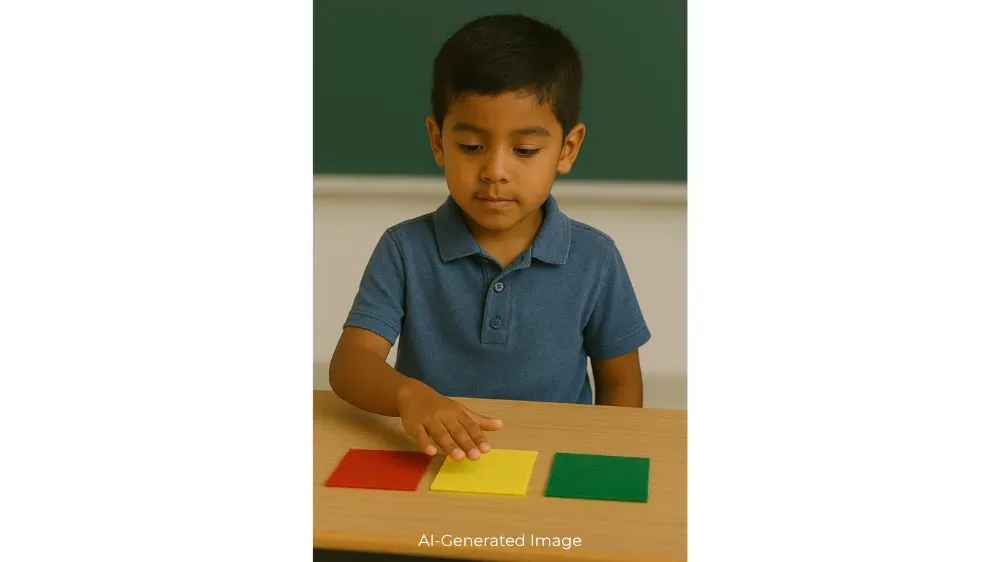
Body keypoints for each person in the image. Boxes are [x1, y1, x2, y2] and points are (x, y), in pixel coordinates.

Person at [329, 14, 650, 463]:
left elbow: (620, 382)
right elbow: (350, 364)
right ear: (438, 141)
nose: (496, 170)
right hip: (433, 459)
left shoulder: (596, 257)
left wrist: (605, 462)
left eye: (524, 150)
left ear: (568, 149)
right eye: (472, 147)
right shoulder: (404, 249)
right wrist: (408, 396)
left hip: (550, 461)